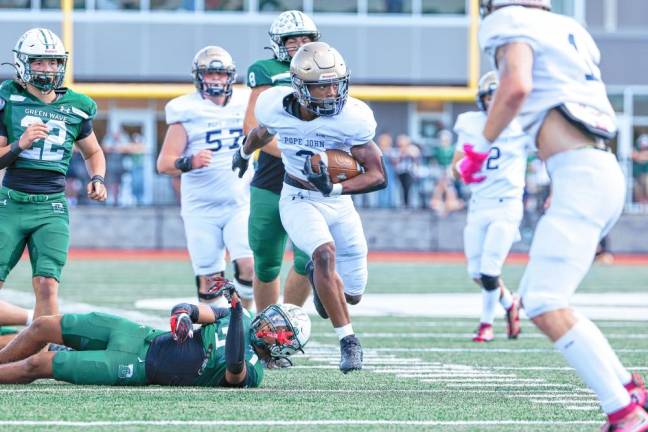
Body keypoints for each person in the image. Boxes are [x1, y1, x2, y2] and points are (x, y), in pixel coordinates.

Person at [461, 1, 648, 429]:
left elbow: (516, 87)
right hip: (594, 170)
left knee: (545, 302)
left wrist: (483, 145)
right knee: (542, 297)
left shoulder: (509, 21)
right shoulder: (568, 28)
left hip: (581, 173)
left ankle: (624, 412)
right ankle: (628, 389)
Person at [233, 42, 386, 373]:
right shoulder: (274, 105)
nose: (332, 92)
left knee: (354, 294)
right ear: (300, 88)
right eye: (322, 85)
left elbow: (378, 176)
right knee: (323, 254)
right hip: (298, 197)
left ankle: (325, 288)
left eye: (336, 83)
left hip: (338, 202)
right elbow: (260, 133)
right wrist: (244, 154)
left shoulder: (353, 118)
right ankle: (348, 341)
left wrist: (335, 186)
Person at [0, 278, 311, 386]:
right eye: (274, 318)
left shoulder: (253, 373)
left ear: (284, 344)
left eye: (279, 327)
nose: (270, 324)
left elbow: (232, 365)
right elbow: (190, 309)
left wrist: (233, 312)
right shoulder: (239, 315)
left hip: (136, 367)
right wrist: (182, 317)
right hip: (138, 334)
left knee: (37, 365)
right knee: (43, 325)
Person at [0, 28, 107, 319]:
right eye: (39, 62)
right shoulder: (8, 98)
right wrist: (19, 144)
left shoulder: (77, 106)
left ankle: (42, 360)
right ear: (23, 63)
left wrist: (97, 178)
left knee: (47, 285)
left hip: (52, 206)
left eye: (54, 62)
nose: (48, 69)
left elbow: (93, 152)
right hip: (10, 203)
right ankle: (28, 323)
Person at [157, 46, 254, 309]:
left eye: (221, 74)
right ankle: (216, 337)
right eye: (210, 74)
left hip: (240, 203)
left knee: (248, 264)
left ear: (230, 76)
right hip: (201, 208)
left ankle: (246, 324)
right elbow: (164, 163)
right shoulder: (185, 109)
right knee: (210, 279)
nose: (216, 80)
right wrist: (189, 161)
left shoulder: (246, 102)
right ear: (199, 77)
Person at [243, 10, 320, 313]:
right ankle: (266, 330)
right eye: (293, 39)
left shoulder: (325, 69)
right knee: (266, 259)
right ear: (279, 43)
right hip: (273, 174)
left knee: (307, 257)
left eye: (306, 39)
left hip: (310, 176)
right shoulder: (266, 70)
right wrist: (292, 153)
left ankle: (286, 326)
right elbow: (251, 126)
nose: (300, 44)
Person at [450, 71, 527, 343]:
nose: (494, 102)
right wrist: (466, 167)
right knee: (476, 272)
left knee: (490, 269)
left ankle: (485, 325)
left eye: (498, 96)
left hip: (507, 204)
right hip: (479, 204)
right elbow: (455, 169)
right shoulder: (470, 123)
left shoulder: (522, 125)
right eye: (489, 96)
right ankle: (510, 304)